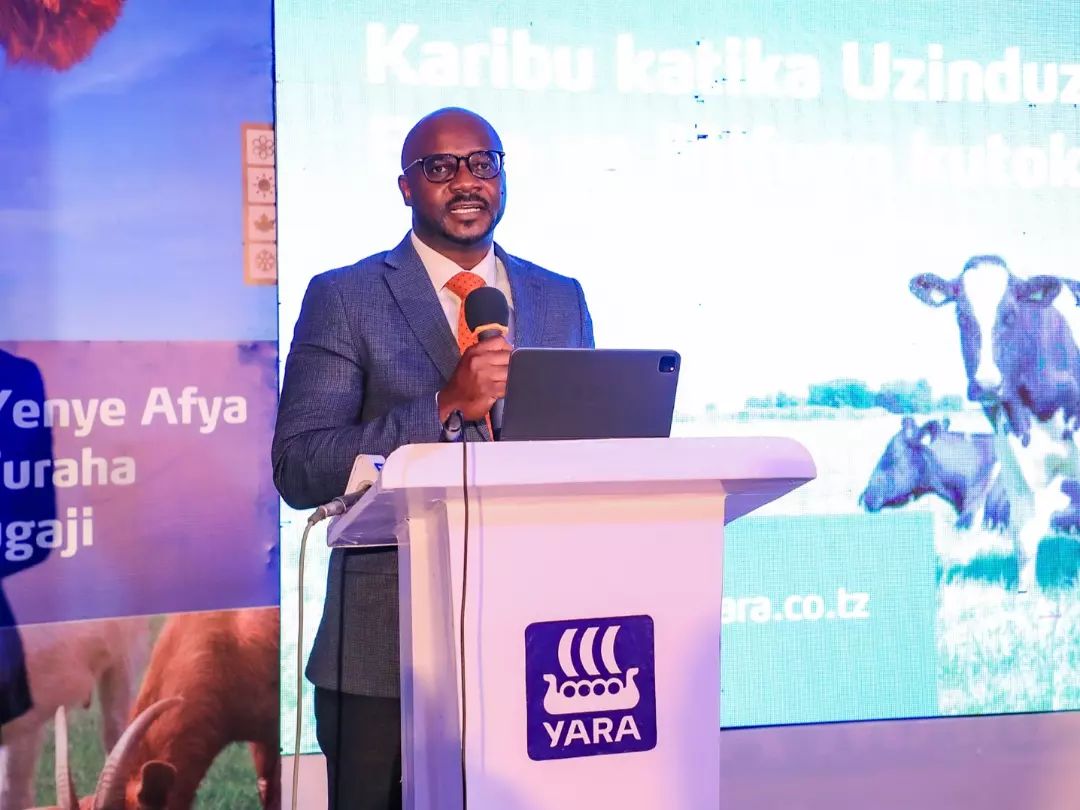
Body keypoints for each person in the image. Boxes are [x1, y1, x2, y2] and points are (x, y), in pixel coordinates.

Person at [272, 107, 594, 810]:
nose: (466, 181)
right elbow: (300, 466)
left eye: (483, 163)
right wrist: (444, 405)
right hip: (383, 651)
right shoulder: (346, 297)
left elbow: (587, 453)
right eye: (440, 167)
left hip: (536, 640)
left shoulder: (560, 298)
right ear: (406, 187)